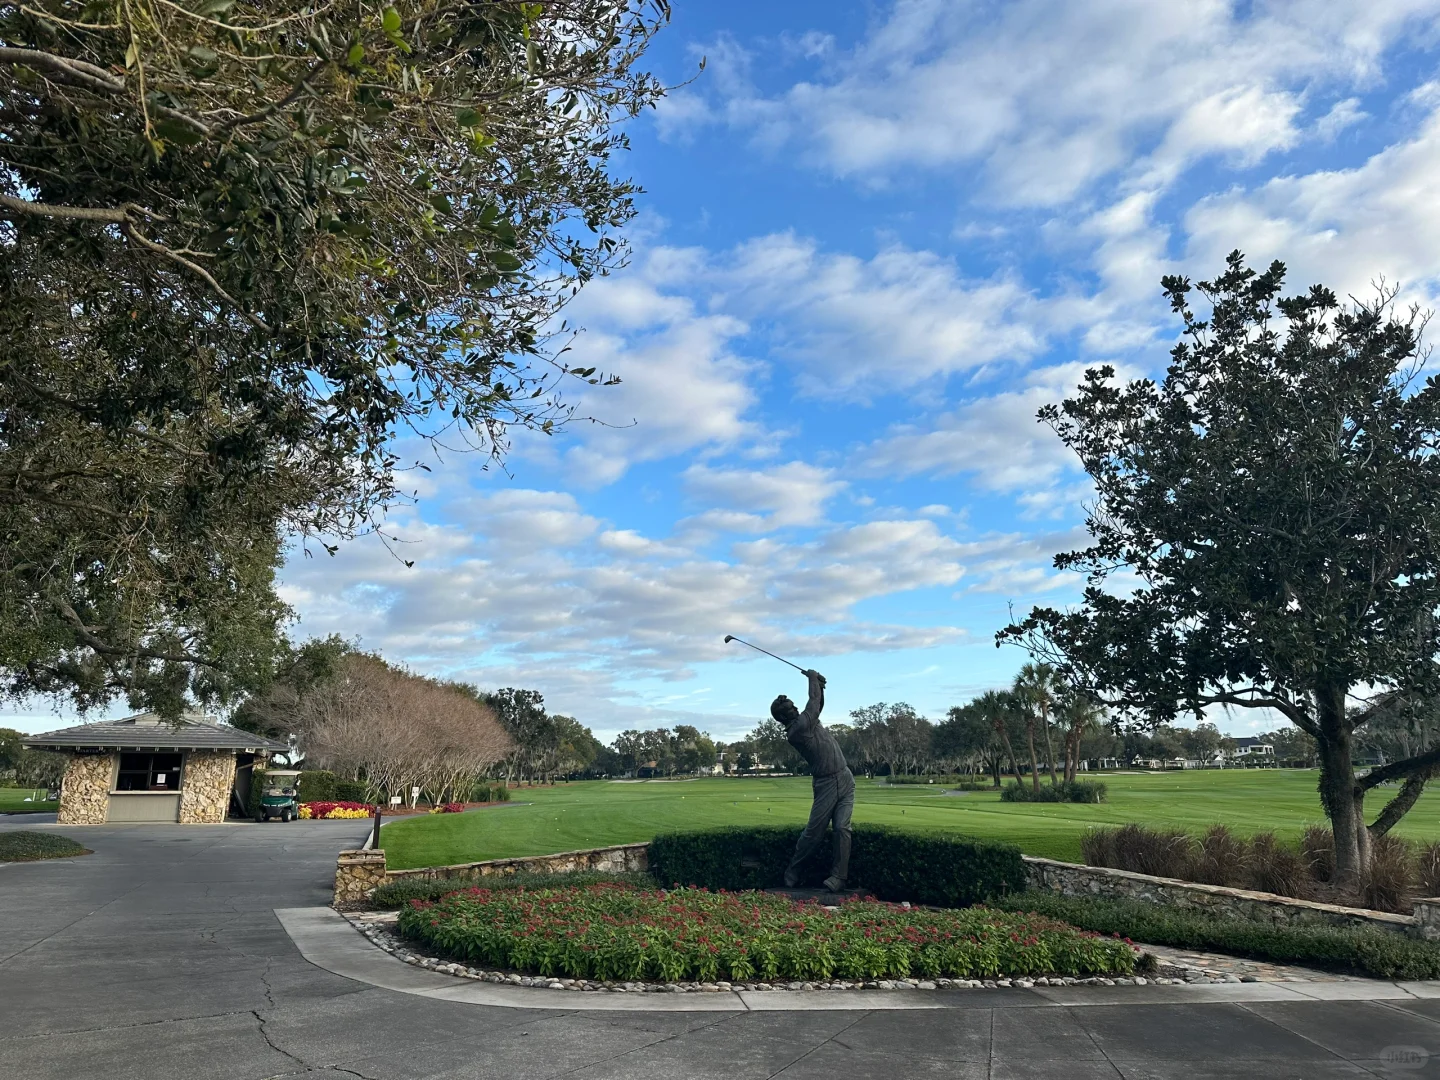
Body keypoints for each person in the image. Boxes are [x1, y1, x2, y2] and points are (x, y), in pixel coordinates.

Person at [770, 668, 854, 892]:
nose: (794, 709)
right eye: (789, 709)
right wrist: (812, 679)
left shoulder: (806, 721)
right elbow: (813, 703)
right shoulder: (797, 730)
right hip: (827, 783)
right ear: (783, 718)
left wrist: (820, 687)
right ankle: (793, 871)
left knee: (842, 829)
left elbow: (818, 705)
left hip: (845, 777)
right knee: (813, 833)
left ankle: (839, 877)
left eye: (793, 706)